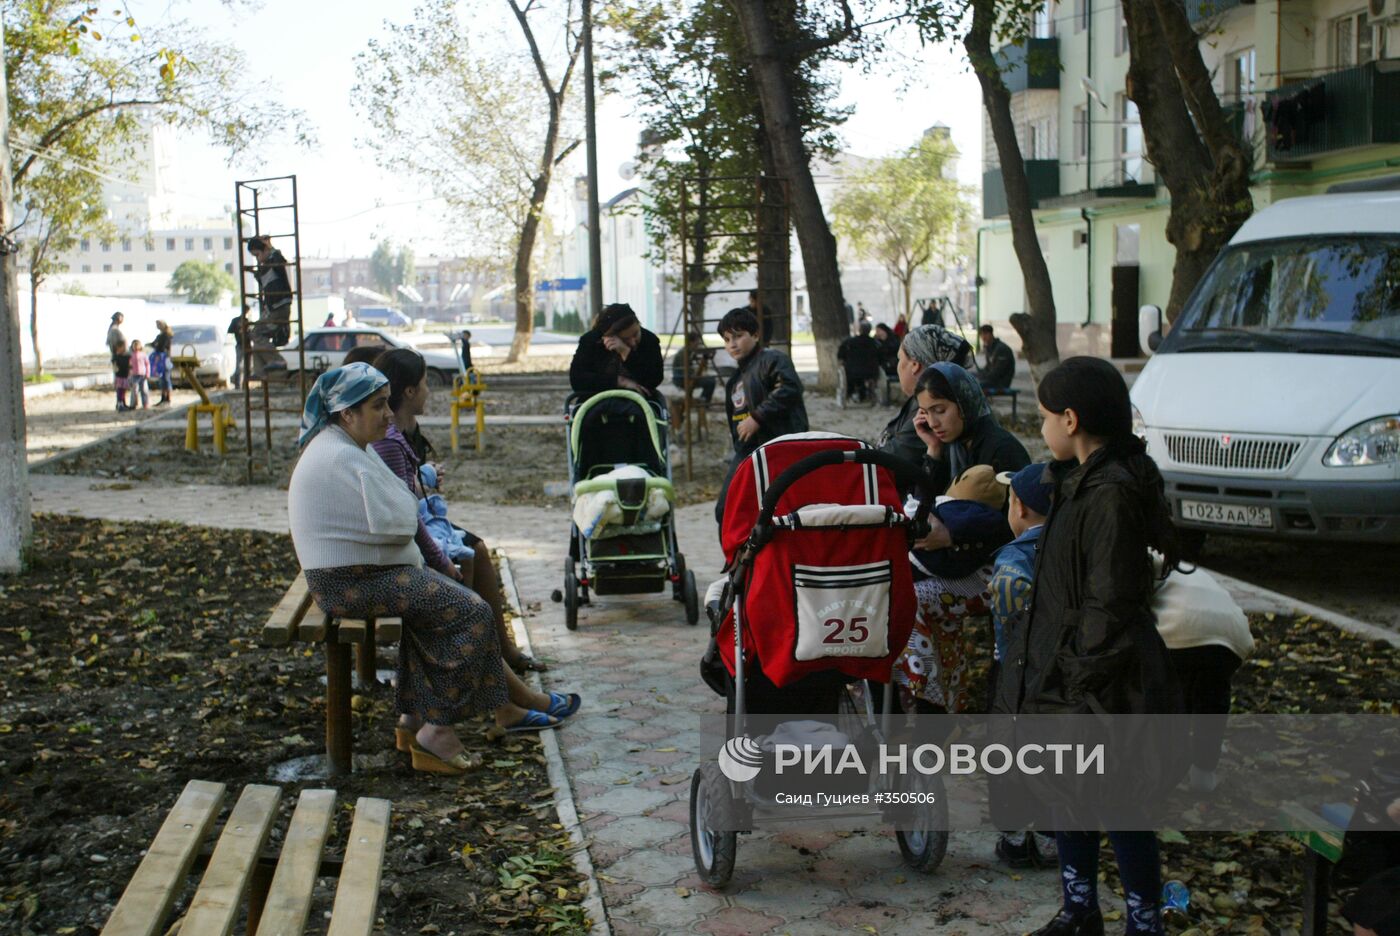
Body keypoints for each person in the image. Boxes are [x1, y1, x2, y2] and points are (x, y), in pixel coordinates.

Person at [287, 364, 566, 777]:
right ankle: (438, 730)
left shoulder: (347, 446)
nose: (387, 413)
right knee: (471, 613)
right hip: (348, 584)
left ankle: (424, 724)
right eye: (378, 406)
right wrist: (406, 507)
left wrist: (406, 508)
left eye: (386, 404)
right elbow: (400, 520)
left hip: (361, 575)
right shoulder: (343, 455)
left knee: (452, 608)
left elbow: (402, 510)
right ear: (347, 412)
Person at [1006, 356, 1185, 936]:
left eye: (1043, 418)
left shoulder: (1110, 493)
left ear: (1071, 419)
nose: (1041, 430)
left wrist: (1079, 685)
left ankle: (1144, 923)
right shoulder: (1077, 481)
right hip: (1067, 671)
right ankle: (1079, 911)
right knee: (1067, 793)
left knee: (1119, 802)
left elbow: (1109, 602)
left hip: (1105, 680)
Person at [370, 348, 551, 676]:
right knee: (462, 565)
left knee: (476, 550)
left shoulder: (401, 433)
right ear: (409, 391)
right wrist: (441, 561)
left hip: (402, 534)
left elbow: (399, 496)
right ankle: (484, 676)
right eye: (425, 384)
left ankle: (499, 660)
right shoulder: (389, 439)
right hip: (396, 549)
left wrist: (421, 476)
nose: (429, 390)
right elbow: (402, 513)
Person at [987, 462, 1055, 868]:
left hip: (1014, 673)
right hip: (1059, 672)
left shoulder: (1015, 557)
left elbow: (1007, 603)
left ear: (1019, 507)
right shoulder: (1074, 545)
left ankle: (1013, 837)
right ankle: (1050, 840)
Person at [569, 303, 663, 399]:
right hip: (597, 402)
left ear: (638, 324)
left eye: (636, 334)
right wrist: (620, 381)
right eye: (625, 339)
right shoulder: (591, 341)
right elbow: (577, 380)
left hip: (640, 403)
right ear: (609, 337)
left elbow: (654, 379)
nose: (633, 342)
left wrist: (626, 352)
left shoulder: (649, 340)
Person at [247, 235, 293, 346]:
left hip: (279, 308)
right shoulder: (265, 267)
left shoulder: (274, 259)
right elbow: (263, 279)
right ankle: (267, 362)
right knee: (257, 339)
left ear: (266, 250)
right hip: (274, 308)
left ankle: (276, 360)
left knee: (256, 333)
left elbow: (280, 262)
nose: (258, 259)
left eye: (257, 255)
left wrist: (270, 247)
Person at [836, 321, 882, 402]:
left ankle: (851, 393)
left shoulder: (850, 342)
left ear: (859, 330)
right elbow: (881, 356)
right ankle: (863, 394)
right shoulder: (875, 343)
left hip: (852, 372)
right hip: (870, 372)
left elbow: (841, 354)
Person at [670, 331, 716, 404]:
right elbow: (685, 369)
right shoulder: (684, 353)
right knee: (711, 382)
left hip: (684, 376)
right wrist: (697, 373)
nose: (698, 344)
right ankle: (703, 402)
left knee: (710, 380)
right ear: (691, 342)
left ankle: (702, 401)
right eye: (697, 341)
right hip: (681, 378)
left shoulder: (688, 351)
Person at [976, 324, 1016, 391]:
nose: (983, 337)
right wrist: (979, 374)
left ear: (991, 334)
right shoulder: (989, 348)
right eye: (981, 334)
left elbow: (998, 372)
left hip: (1001, 383)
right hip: (991, 380)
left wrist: (982, 376)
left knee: (974, 385)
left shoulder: (1001, 349)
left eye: (985, 334)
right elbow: (988, 367)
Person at [151, 320, 174, 406]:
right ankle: (163, 398)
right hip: (161, 357)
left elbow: (162, 346)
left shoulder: (166, 335)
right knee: (163, 379)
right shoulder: (161, 335)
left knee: (166, 379)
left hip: (164, 358)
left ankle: (167, 398)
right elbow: (154, 344)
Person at [128, 339, 150, 410]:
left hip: (142, 375)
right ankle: (133, 404)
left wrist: (147, 373)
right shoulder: (131, 355)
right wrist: (129, 374)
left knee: (144, 390)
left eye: (137, 345)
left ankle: (145, 403)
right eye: (134, 345)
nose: (136, 347)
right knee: (134, 391)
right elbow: (129, 366)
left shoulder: (143, 355)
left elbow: (147, 364)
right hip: (134, 375)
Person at [111, 339, 132, 411]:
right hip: (120, 376)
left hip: (124, 376)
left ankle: (123, 403)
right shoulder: (116, 357)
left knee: (123, 391)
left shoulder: (126, 356)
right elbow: (115, 367)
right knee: (120, 391)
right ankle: (120, 404)